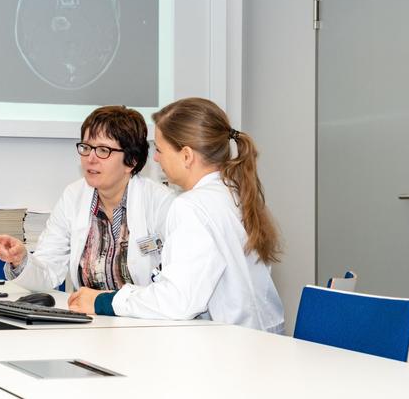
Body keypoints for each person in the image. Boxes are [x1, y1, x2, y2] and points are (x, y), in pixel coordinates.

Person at [68, 97, 285, 333]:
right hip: (258, 340)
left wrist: (103, 301)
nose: (156, 158)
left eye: (160, 150)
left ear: (186, 156)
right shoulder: (233, 193)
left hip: (230, 349)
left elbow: (178, 301)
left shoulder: (190, 206)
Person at [0, 106, 174, 293]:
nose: (90, 158)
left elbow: (175, 283)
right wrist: (21, 259)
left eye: (103, 150)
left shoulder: (161, 202)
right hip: (90, 320)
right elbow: (48, 270)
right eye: (86, 147)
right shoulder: (73, 196)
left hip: (144, 321)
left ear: (131, 161)